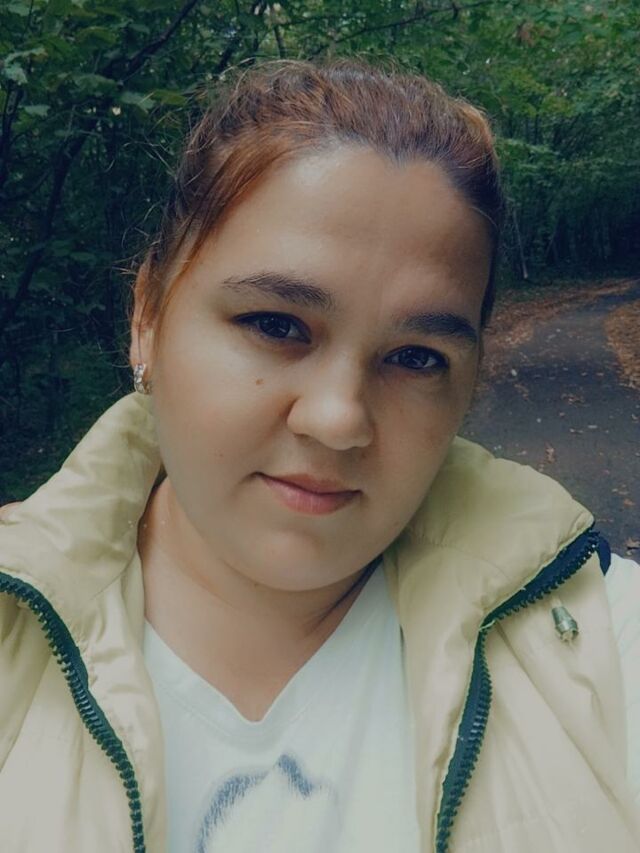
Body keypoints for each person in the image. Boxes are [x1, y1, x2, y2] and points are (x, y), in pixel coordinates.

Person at [0, 59, 638, 853]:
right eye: (276, 324)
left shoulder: (600, 646)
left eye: (416, 358)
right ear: (148, 316)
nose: (339, 420)